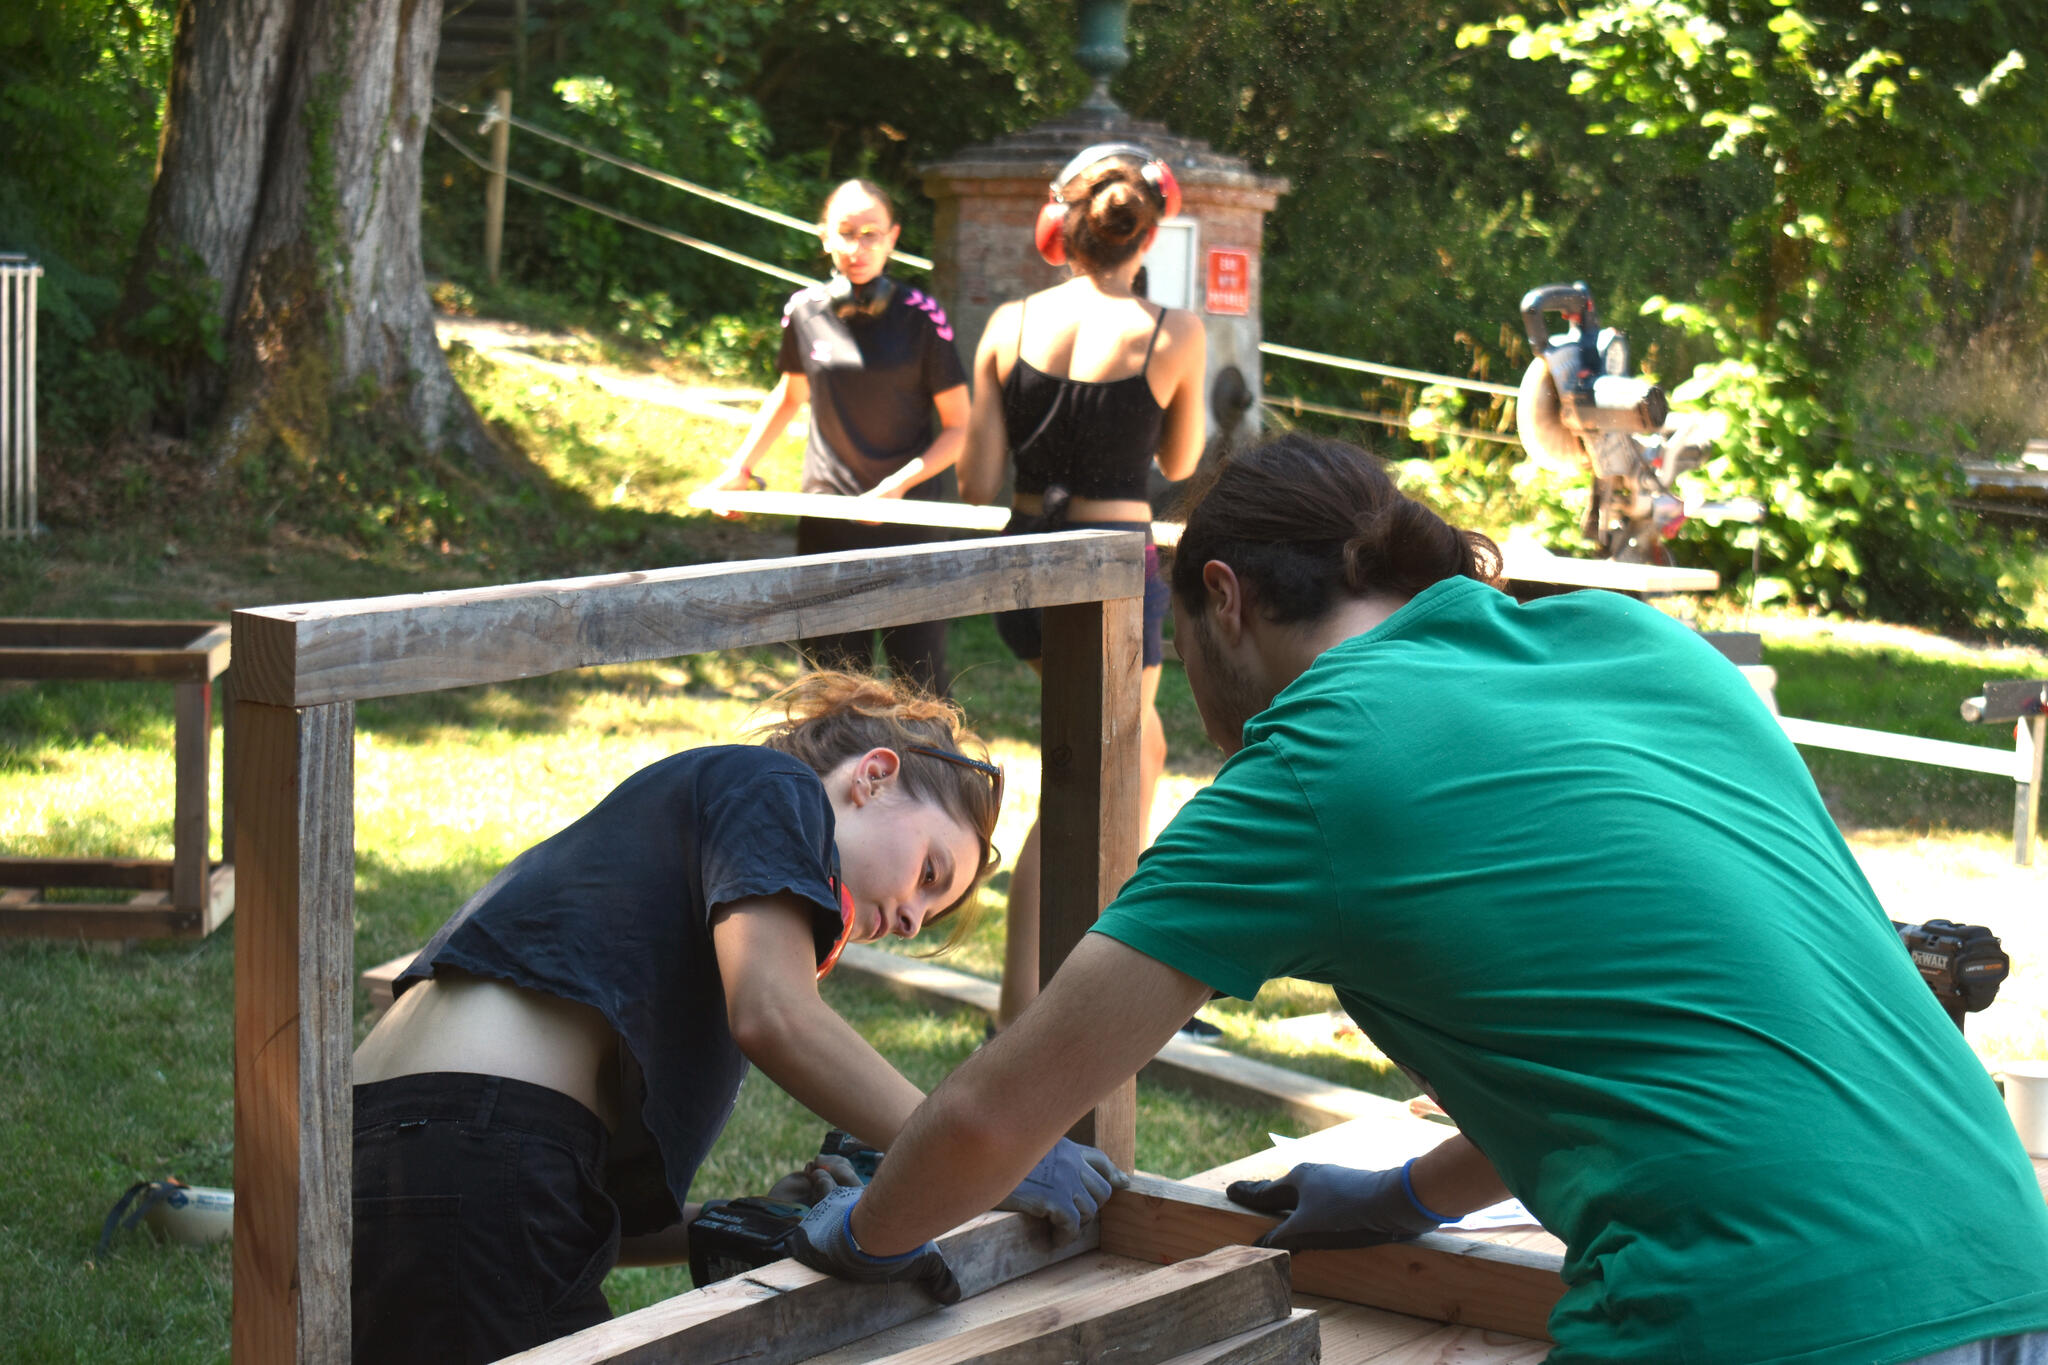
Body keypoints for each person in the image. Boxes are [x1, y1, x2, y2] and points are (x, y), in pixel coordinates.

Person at [790, 434, 2048, 1364]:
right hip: (2007, 1273)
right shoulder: (1641, 648)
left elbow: (998, 1111)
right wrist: (1406, 1197)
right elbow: (1649, 1019)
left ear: (1222, 598)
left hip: (1760, 1318)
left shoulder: (1309, 770)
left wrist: (869, 1233)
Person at [349, 671, 1123, 1363]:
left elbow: (574, 1206)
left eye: (931, 905)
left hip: (401, 1153)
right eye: (929, 872)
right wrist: (987, 1158)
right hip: (470, 1143)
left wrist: (746, 1222)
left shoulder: (709, 902)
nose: (915, 917)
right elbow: (777, 1019)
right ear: (874, 778)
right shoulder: (777, 788)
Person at [955, 142, 1207, 1029]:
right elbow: (1179, 460)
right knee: (1092, 778)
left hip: (1023, 565)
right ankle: (1032, 1001)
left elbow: (978, 477)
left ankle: (1078, 970)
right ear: (1148, 233)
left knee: (1136, 752)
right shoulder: (1173, 331)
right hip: (1109, 570)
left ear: (1057, 228)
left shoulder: (1007, 323)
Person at [705, 180, 970, 697]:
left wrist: (896, 488)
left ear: (893, 238)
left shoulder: (923, 318)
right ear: (824, 236)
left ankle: (933, 779)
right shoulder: (803, 311)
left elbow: (961, 426)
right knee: (829, 690)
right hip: (829, 520)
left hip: (909, 523)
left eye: (872, 234)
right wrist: (740, 468)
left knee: (923, 692)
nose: (858, 247)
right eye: (846, 233)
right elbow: (789, 395)